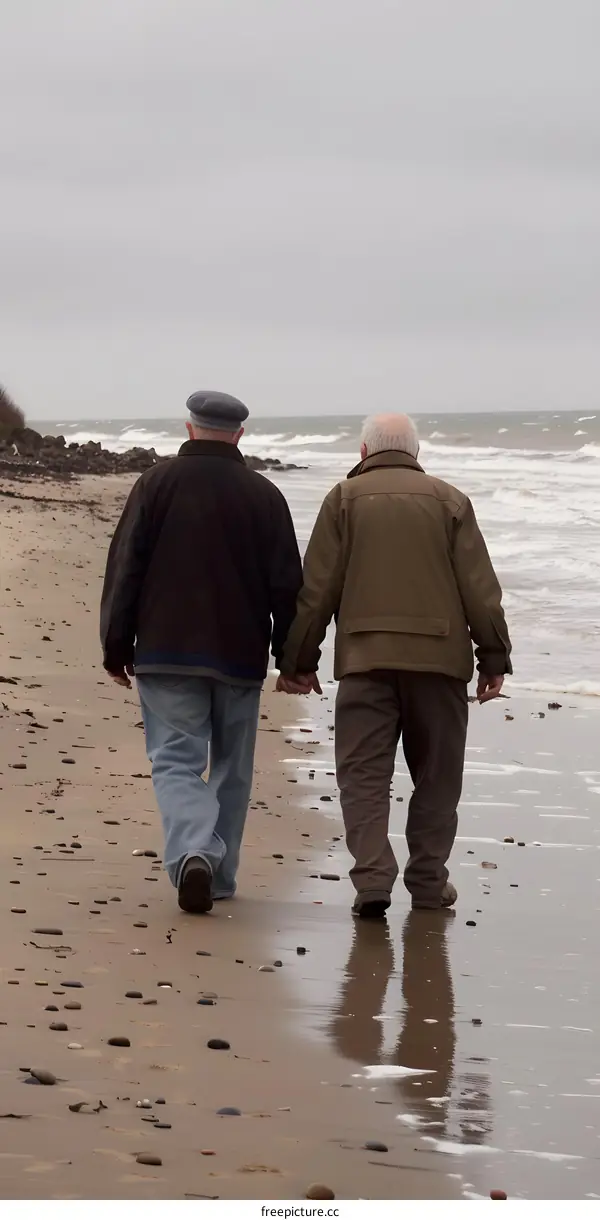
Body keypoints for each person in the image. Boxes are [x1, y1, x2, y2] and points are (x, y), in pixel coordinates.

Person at [279, 413, 512, 918]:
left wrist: (298, 659)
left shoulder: (342, 500)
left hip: (365, 662)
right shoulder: (450, 501)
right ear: (415, 451)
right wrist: (493, 657)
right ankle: (428, 883)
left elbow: (317, 591)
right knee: (437, 778)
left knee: (362, 777)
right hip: (439, 663)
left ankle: (372, 881)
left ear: (364, 452)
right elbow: (480, 591)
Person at [101, 391, 302, 914]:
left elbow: (127, 568)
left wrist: (116, 644)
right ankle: (218, 875)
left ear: (189, 428)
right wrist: (294, 659)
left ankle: (193, 850)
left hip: (166, 650)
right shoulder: (265, 495)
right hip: (239, 654)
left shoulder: (155, 484)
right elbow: (287, 587)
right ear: (239, 434)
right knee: (234, 767)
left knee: (174, 760)